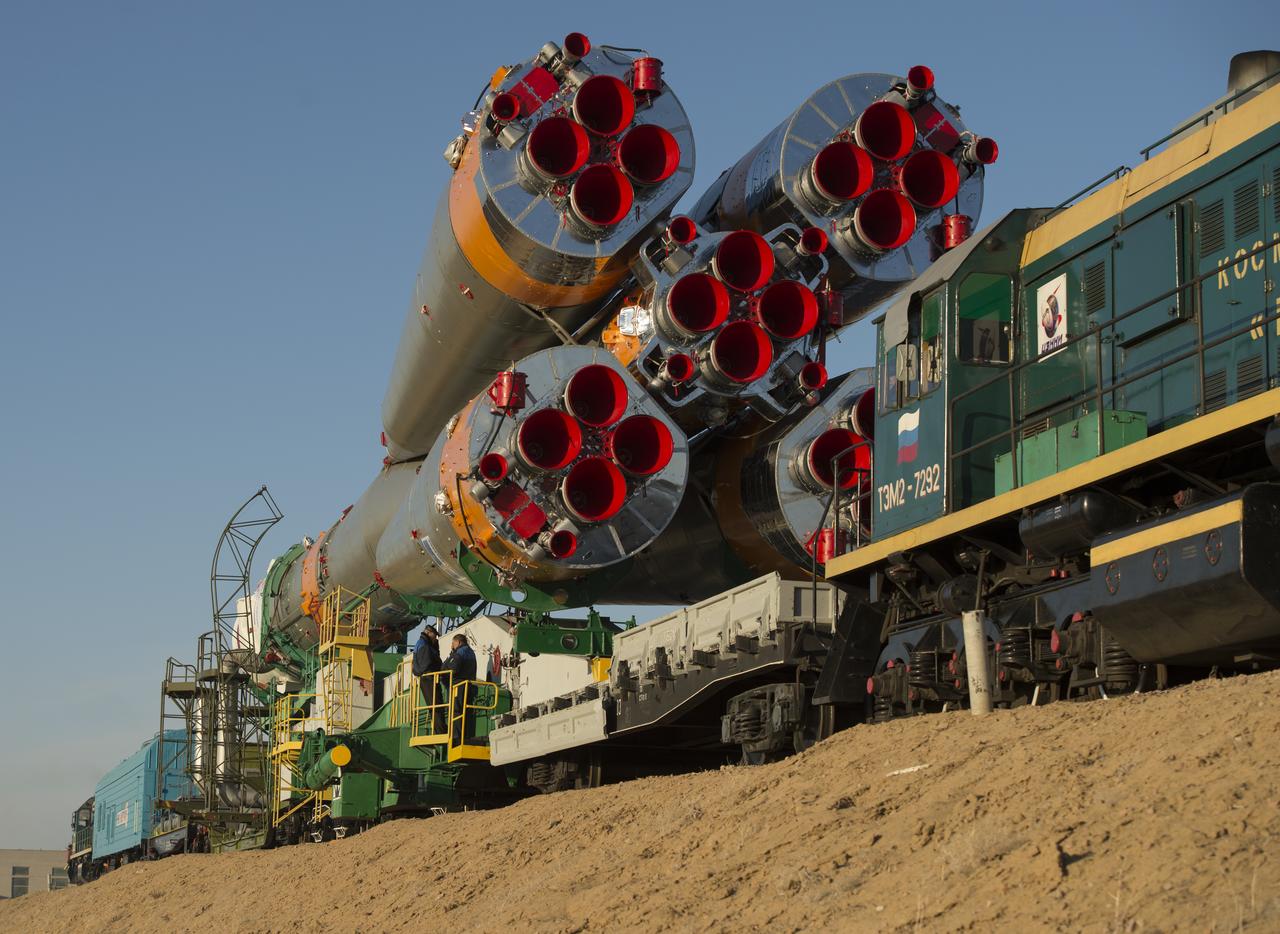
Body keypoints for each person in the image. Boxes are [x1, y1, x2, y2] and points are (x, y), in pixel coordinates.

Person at [443, 634, 478, 742]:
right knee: (466, 711)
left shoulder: (459, 653)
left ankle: (456, 737)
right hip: (469, 686)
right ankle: (466, 735)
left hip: (458, 686)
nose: (452, 646)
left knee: (456, 711)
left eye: (453, 643)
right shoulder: (471, 652)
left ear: (458, 642)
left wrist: (450, 657)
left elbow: (452, 668)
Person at [411, 625, 442, 724]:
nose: (435, 637)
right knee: (436, 705)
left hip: (426, 678)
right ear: (428, 633)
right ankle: (440, 730)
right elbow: (426, 663)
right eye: (434, 635)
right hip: (429, 679)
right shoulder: (424, 645)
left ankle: (439, 728)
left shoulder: (424, 643)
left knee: (435, 706)